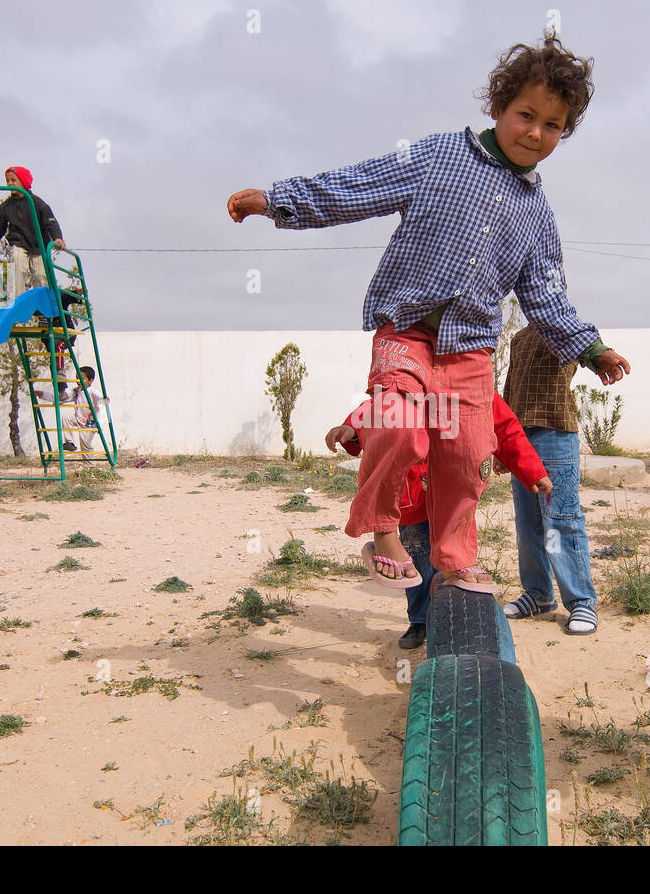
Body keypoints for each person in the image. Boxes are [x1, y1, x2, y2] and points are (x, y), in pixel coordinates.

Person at [228, 32, 629, 596]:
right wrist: (277, 200)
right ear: (498, 107)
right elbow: (362, 184)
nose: (536, 133)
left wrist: (590, 349)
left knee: (468, 453)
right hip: (407, 331)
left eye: (554, 125)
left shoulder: (537, 213)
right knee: (398, 427)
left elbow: (546, 292)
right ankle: (383, 530)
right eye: (526, 115)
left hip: (470, 351)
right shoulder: (442, 156)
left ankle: (454, 552)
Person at [328, 391, 551, 649]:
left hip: (451, 498)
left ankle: (449, 619)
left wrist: (531, 469)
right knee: (416, 562)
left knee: (454, 558)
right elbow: (377, 409)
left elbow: (504, 426)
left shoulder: (472, 385)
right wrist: (352, 428)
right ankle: (420, 619)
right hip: (411, 499)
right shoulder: (407, 384)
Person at [501, 324, 603, 635]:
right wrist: (502, 444)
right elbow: (509, 388)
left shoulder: (570, 329)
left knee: (561, 519)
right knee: (528, 522)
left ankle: (581, 601)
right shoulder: (518, 339)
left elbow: (593, 354)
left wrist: (604, 358)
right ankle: (539, 595)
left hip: (556, 434)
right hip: (519, 438)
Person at [0, 166, 66, 301]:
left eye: (13, 180)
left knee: (40, 274)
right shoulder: (7, 206)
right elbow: (0, 225)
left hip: (38, 244)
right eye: (7, 181)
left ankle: (43, 306)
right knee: (16, 260)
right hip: (19, 242)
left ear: (24, 182)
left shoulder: (38, 204)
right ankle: (17, 299)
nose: (9, 183)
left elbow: (50, 222)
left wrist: (57, 238)